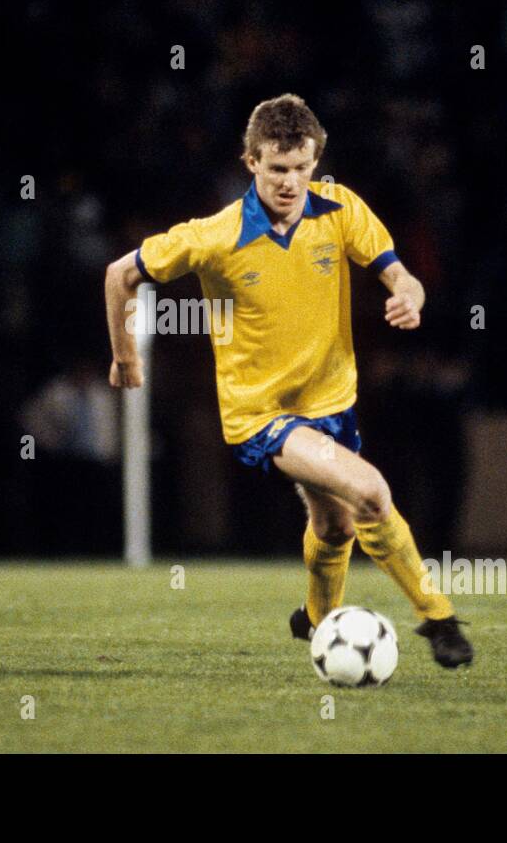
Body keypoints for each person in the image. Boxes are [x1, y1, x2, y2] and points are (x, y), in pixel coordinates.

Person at [104, 94, 472, 668]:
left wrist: (407, 293)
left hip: (333, 403)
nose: (290, 182)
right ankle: (439, 617)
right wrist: (126, 357)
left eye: (302, 168)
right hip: (262, 414)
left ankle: (318, 619)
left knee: (335, 524)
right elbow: (120, 274)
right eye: (277, 169)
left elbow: (403, 276)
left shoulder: (339, 209)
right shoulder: (215, 235)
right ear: (250, 161)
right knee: (372, 493)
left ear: (316, 160)